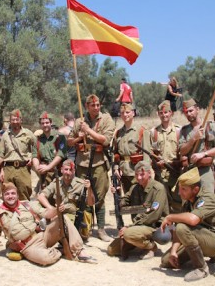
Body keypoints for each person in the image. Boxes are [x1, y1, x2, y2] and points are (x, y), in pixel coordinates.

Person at [0, 182, 97, 265]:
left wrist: (57, 210)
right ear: (3, 196)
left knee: (63, 218)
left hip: (42, 235)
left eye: (13, 193)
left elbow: (47, 214)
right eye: (7, 194)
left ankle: (79, 250)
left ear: (17, 195)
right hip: (27, 246)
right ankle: (60, 251)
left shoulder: (27, 204)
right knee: (46, 259)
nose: (10, 196)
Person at [160, 167, 215, 282]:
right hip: (202, 236)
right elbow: (178, 227)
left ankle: (201, 268)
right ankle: (204, 253)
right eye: (180, 189)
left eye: (183, 189)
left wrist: (170, 216)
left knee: (182, 227)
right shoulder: (188, 200)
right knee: (166, 261)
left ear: (196, 189)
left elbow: (192, 220)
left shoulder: (207, 198)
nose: (179, 193)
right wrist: (173, 251)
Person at [68, 94, 115, 242]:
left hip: (98, 163)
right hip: (82, 163)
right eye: (92, 105)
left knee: (99, 197)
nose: (96, 107)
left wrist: (88, 131)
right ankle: (86, 228)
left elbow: (105, 140)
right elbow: (69, 141)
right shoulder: (79, 121)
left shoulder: (106, 119)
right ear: (87, 106)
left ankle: (101, 229)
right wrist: (78, 136)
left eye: (98, 105)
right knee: (84, 196)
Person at [108, 161, 169, 260]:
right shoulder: (135, 187)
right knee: (112, 250)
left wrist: (130, 227)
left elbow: (153, 215)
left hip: (154, 226)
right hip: (139, 226)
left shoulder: (158, 189)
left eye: (142, 174)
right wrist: (118, 195)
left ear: (149, 173)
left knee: (128, 234)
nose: (139, 177)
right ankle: (138, 241)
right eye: (136, 174)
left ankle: (151, 247)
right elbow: (125, 200)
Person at [179, 99, 215, 193]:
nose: (189, 114)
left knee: (207, 202)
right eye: (186, 112)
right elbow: (182, 151)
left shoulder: (210, 126)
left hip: (205, 170)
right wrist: (193, 139)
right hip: (189, 171)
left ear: (197, 110)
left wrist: (204, 154)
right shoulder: (184, 130)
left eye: (191, 111)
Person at [151, 100, 182, 212]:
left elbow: (183, 153)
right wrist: (156, 163)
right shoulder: (154, 132)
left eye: (166, 112)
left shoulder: (179, 131)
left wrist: (175, 164)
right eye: (161, 113)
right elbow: (152, 154)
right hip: (160, 175)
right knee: (161, 205)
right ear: (158, 114)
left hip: (175, 173)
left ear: (171, 113)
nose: (164, 115)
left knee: (177, 204)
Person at [0, 109, 36, 201]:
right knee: (8, 194)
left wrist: (32, 158)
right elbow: (0, 155)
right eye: (13, 119)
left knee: (24, 194)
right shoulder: (5, 135)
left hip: (23, 168)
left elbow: (36, 148)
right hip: (8, 168)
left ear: (21, 120)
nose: (15, 122)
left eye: (17, 119)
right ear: (10, 121)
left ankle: (25, 214)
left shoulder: (28, 133)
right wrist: (1, 170)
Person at [32, 111, 67, 195]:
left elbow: (60, 155)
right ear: (40, 125)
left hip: (59, 173)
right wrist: (38, 168)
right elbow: (35, 156)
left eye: (47, 122)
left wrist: (48, 167)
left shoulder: (60, 137)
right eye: (42, 123)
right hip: (45, 175)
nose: (45, 125)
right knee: (46, 197)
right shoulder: (38, 140)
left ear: (51, 123)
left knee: (60, 197)